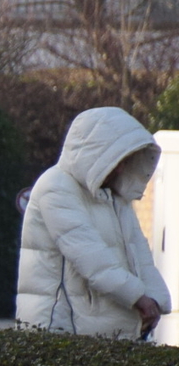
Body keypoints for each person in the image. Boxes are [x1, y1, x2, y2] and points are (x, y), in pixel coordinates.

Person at [16, 105, 170, 340]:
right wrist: (139, 297)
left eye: (125, 159)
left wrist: (156, 299)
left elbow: (140, 253)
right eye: (117, 157)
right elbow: (91, 257)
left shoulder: (114, 196)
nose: (120, 167)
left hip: (97, 331)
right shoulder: (56, 186)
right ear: (96, 153)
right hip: (55, 327)